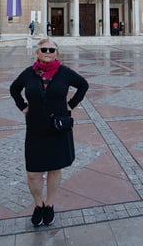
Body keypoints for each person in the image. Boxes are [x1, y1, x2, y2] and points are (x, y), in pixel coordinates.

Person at [10, 38, 89, 227]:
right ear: (37, 53)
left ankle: (50, 204)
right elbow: (14, 88)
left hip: (58, 127)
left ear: (57, 54)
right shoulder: (29, 74)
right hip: (36, 128)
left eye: (51, 50)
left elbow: (83, 85)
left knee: (55, 169)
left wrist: (70, 106)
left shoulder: (64, 73)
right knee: (33, 173)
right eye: (44, 49)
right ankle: (39, 204)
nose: (48, 52)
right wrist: (23, 107)